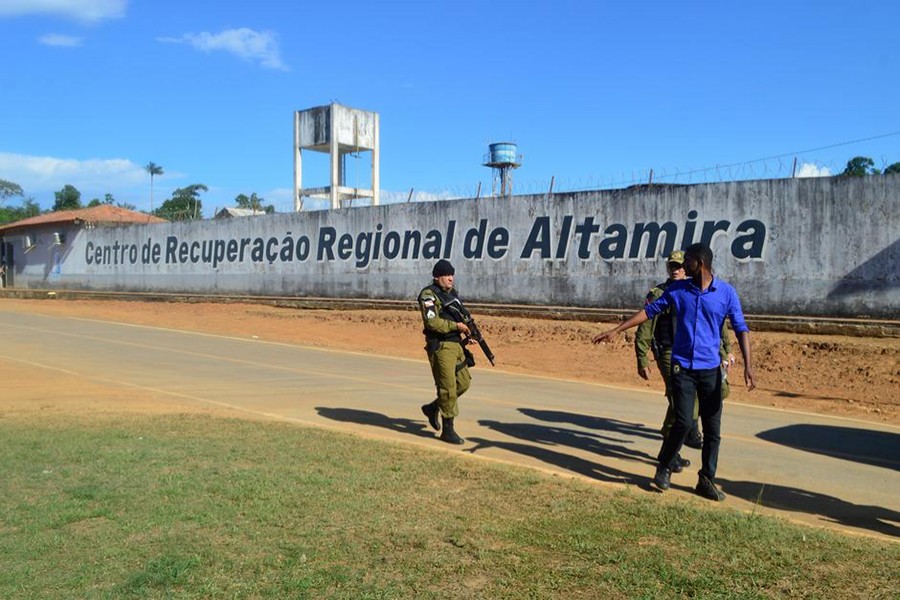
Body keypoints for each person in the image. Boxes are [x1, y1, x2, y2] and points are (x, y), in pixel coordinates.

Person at [593, 243, 755, 501]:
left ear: (699, 263)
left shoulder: (725, 293)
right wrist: (616, 330)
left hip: (710, 371)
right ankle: (665, 465)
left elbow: (740, 328)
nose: (682, 265)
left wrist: (748, 365)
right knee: (682, 422)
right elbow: (649, 312)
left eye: (687, 260)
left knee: (712, 430)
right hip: (683, 369)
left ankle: (706, 479)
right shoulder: (678, 290)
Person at [634, 251, 736, 463]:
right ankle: (670, 452)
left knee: (717, 393)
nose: (676, 269)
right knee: (679, 403)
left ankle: (689, 430)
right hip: (671, 353)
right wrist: (642, 358)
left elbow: (716, 323)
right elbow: (645, 327)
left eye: (680, 265)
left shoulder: (701, 290)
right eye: (672, 265)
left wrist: (726, 350)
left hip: (701, 355)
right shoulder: (660, 292)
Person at [418, 259, 473, 444]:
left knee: (464, 382)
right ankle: (448, 430)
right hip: (441, 346)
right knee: (447, 388)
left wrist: (467, 332)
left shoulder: (452, 294)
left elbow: (460, 315)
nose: (450, 278)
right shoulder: (428, 295)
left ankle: (433, 407)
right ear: (437, 277)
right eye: (446, 275)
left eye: (452, 275)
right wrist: (455, 326)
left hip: (456, 344)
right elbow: (432, 322)